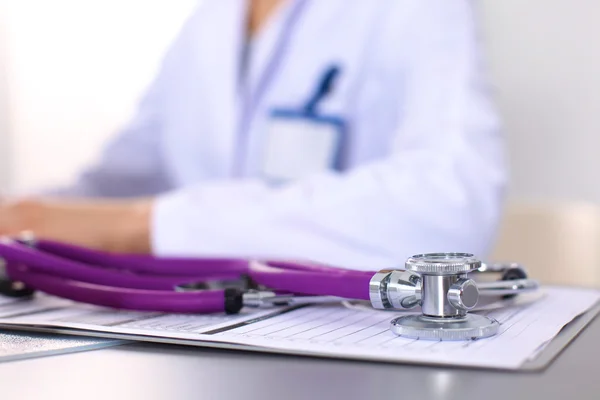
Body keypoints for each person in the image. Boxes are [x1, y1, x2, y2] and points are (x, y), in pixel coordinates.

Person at [0, 0, 506, 271]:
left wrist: (146, 226)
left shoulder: (414, 9)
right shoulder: (210, 19)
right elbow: (130, 173)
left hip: (342, 348)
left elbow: (451, 203)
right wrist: (26, 217)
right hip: (198, 334)